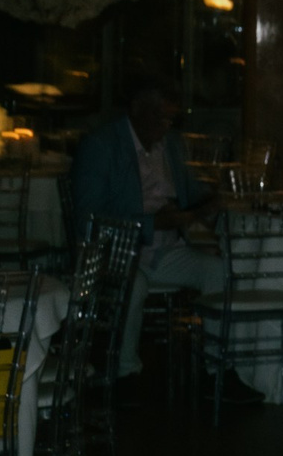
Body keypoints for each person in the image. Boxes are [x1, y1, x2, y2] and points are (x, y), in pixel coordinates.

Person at [70, 79, 242, 394]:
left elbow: (191, 194)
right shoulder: (102, 145)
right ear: (137, 109)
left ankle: (218, 369)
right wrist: (153, 223)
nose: (165, 126)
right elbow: (88, 220)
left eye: (170, 118)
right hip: (115, 253)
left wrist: (210, 202)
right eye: (159, 116)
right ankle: (124, 374)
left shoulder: (171, 145)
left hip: (165, 249)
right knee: (133, 286)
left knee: (219, 272)